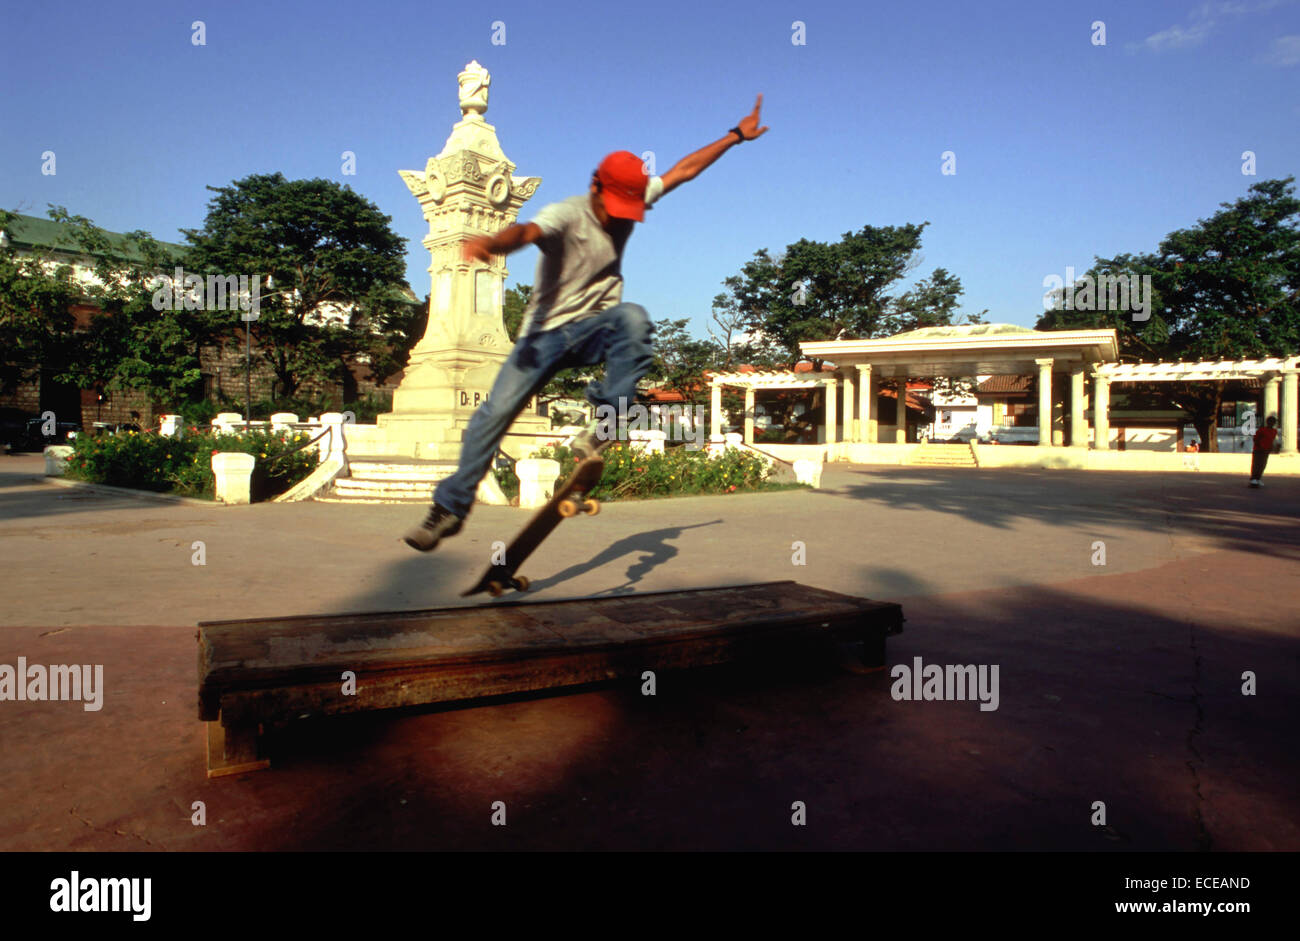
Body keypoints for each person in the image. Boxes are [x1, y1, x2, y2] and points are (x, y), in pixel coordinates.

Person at [404, 96, 770, 551]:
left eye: (628, 212)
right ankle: (450, 509)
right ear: (597, 188)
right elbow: (528, 233)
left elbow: (683, 171)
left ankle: (602, 428)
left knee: (634, 318)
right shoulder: (566, 213)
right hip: (542, 338)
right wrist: (492, 242)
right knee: (492, 416)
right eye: (615, 209)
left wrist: (735, 136)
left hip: (597, 327)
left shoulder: (635, 197)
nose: (620, 221)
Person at [1249, 415, 1279, 488]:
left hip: (1266, 450)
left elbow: (1271, 441)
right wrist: (1259, 446)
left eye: (1273, 422)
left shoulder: (1274, 431)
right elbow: (1256, 439)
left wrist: (1271, 448)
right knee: (1256, 464)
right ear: (1267, 422)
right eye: (1270, 422)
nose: (1271, 423)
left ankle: (1258, 478)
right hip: (1258, 450)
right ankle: (1253, 478)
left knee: (1262, 465)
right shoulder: (1261, 430)